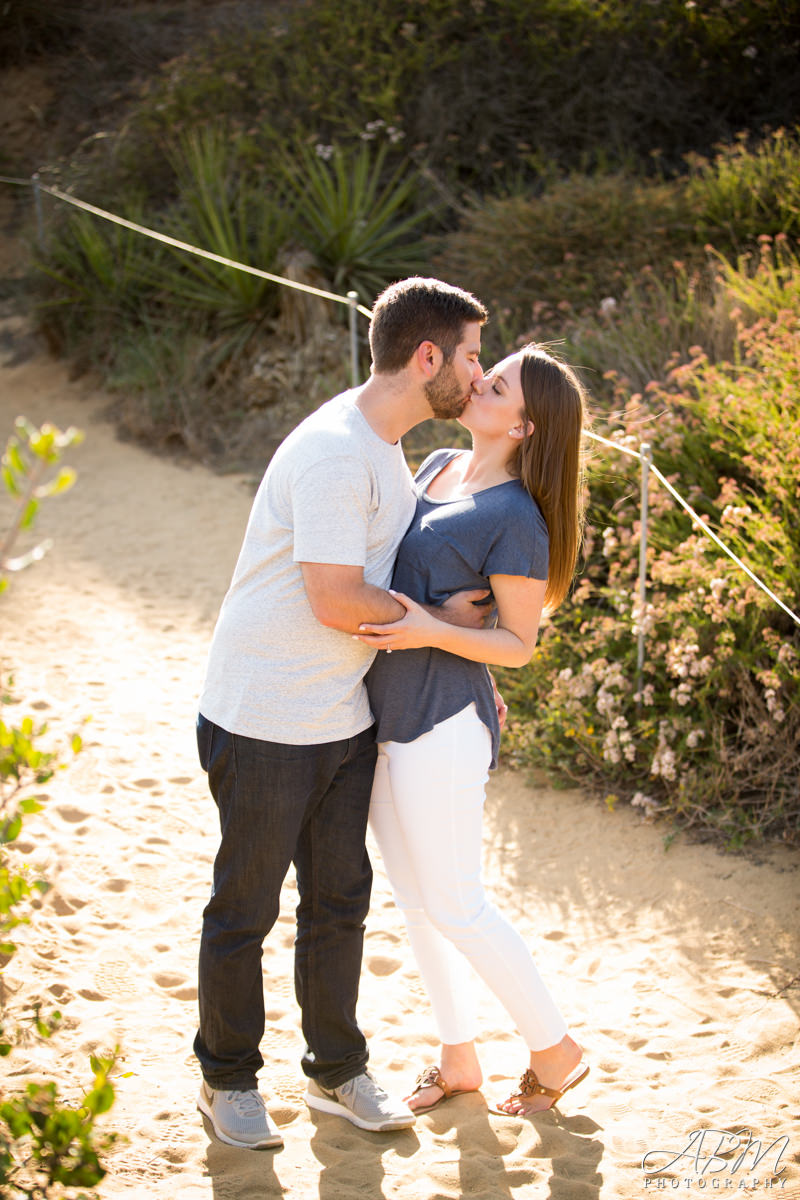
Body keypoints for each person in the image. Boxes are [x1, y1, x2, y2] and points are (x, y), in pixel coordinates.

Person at [193, 276, 491, 1149]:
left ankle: (334, 1070)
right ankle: (225, 1078)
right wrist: (440, 625)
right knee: (245, 907)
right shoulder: (335, 450)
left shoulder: (384, 443)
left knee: (339, 901)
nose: (477, 374)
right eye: (471, 355)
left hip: (339, 714)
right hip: (263, 716)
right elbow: (332, 598)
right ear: (426, 356)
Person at [356, 344, 590, 1118]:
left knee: (456, 904)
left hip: (444, 722)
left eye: (497, 385)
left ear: (526, 425)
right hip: (382, 713)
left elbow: (519, 646)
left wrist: (430, 629)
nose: (478, 383)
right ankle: (459, 1058)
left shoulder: (517, 517)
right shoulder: (437, 465)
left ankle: (555, 1049)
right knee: (416, 903)